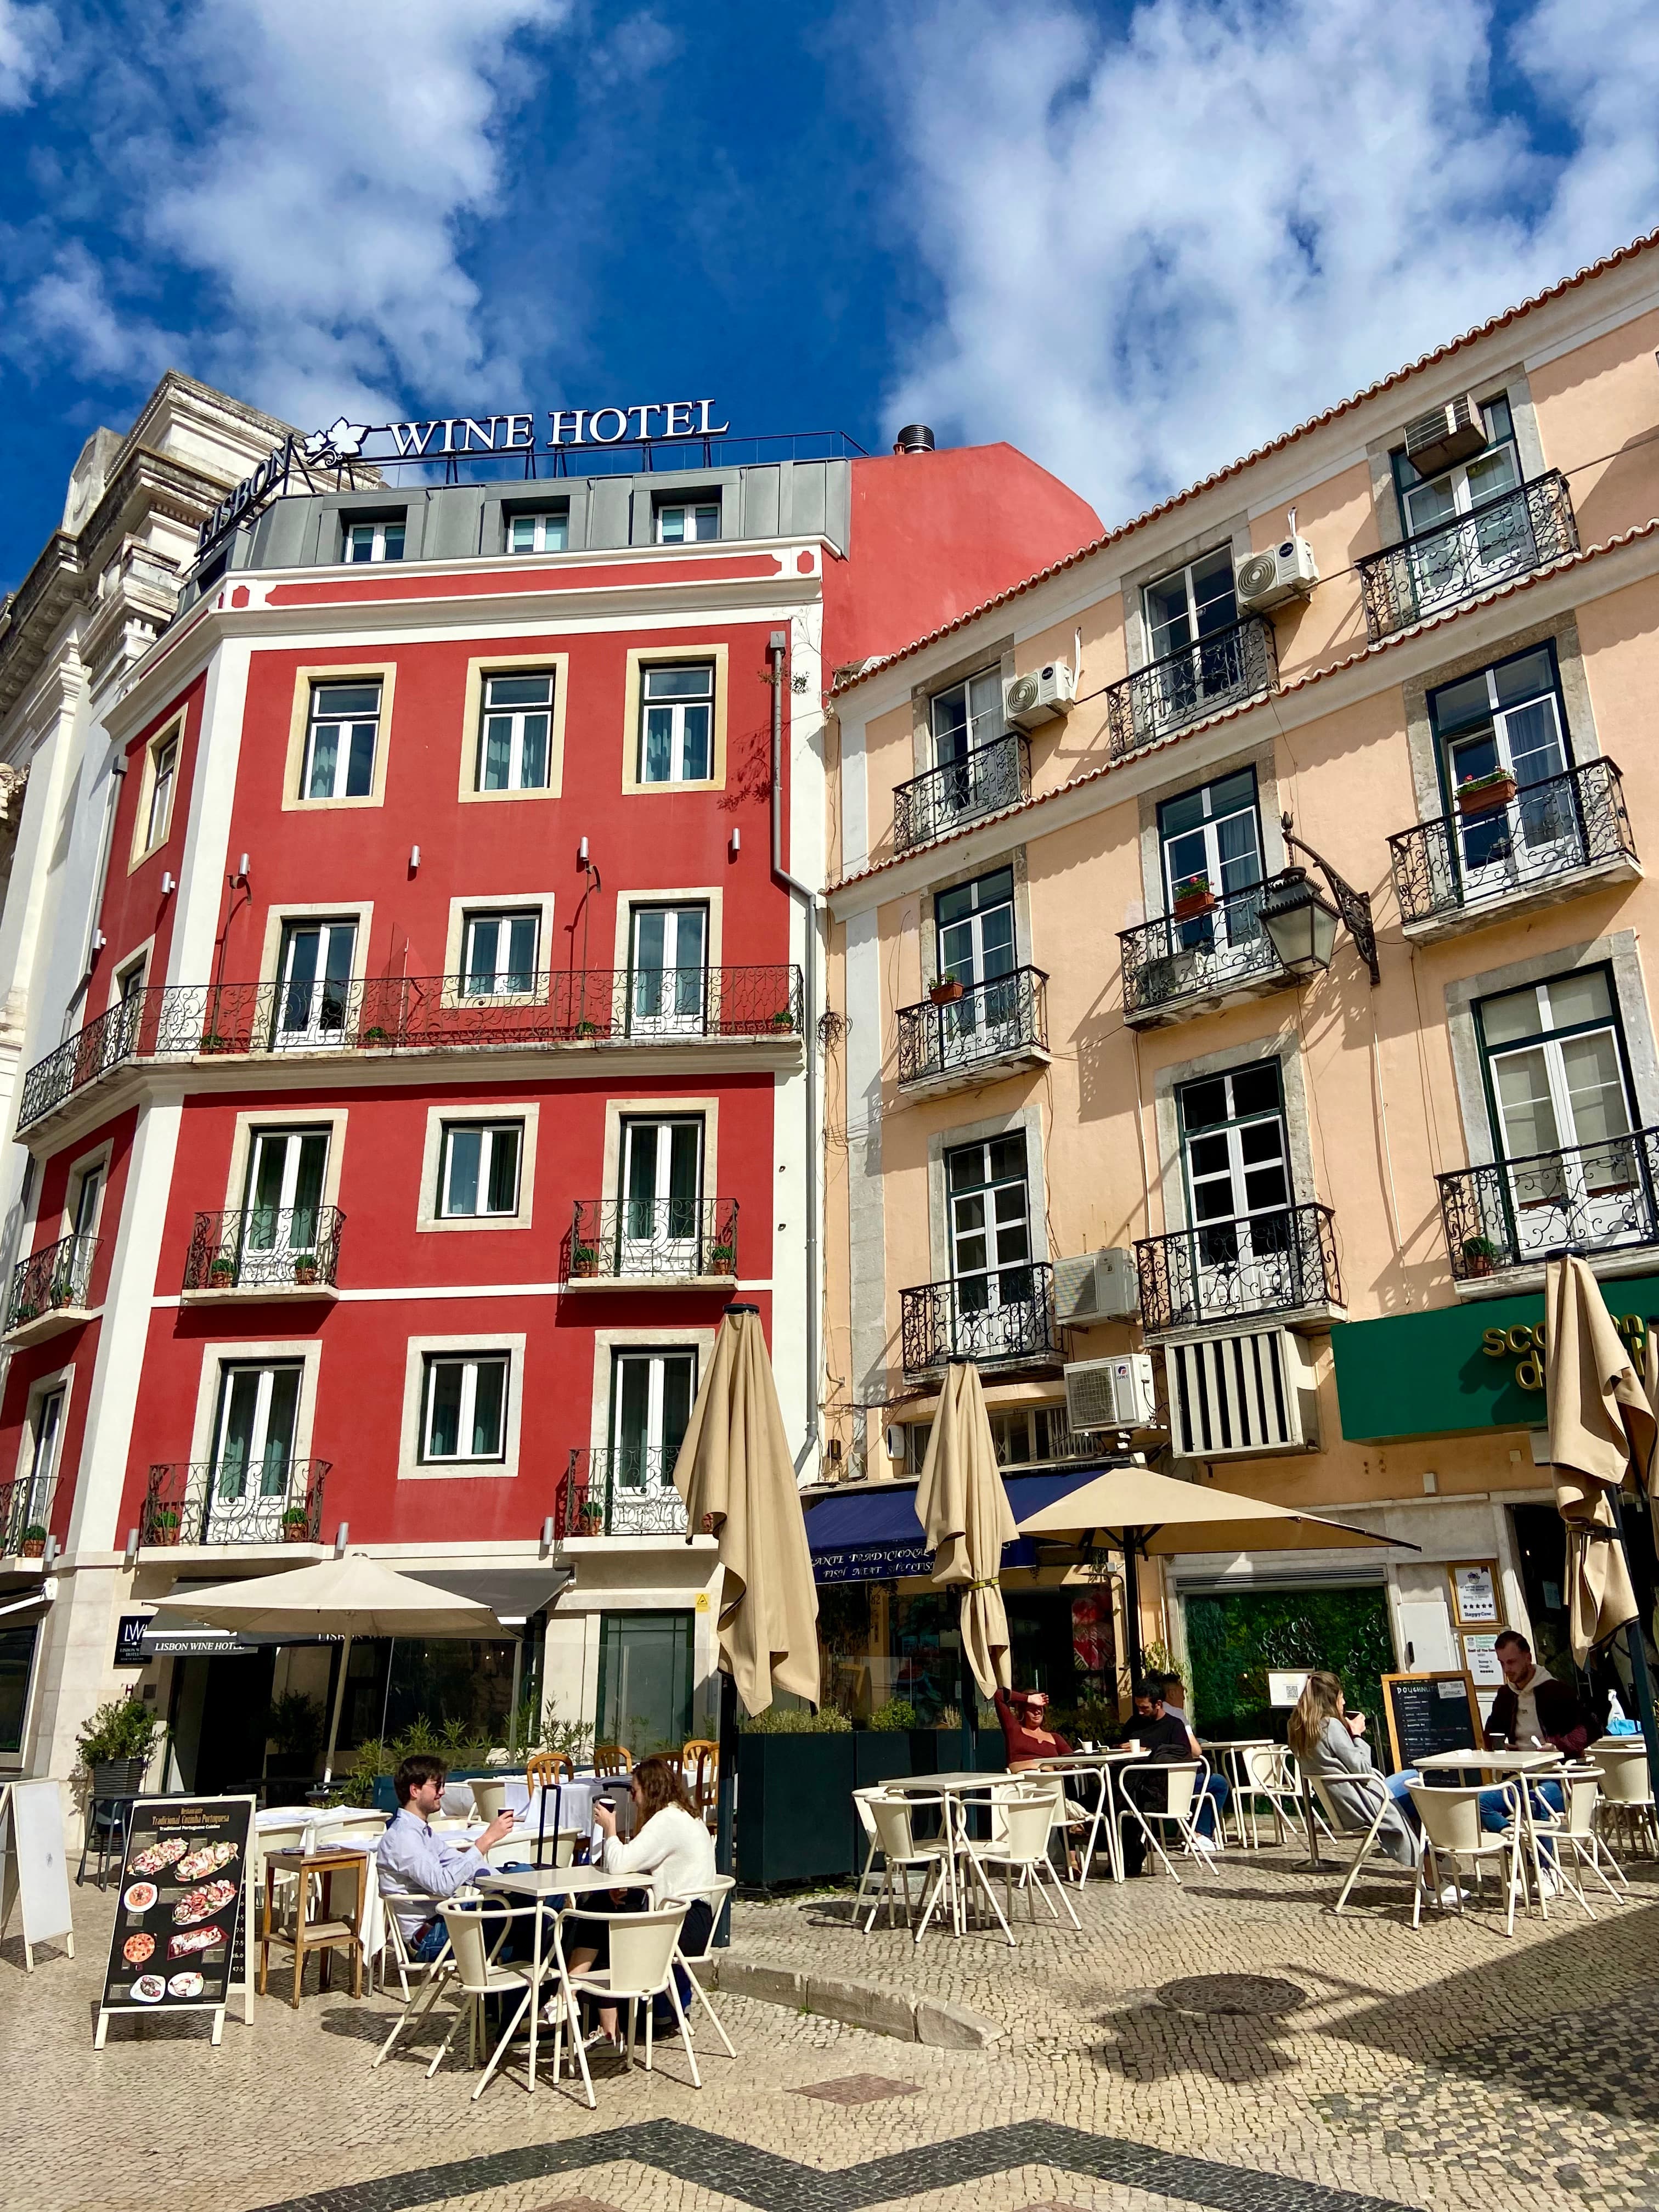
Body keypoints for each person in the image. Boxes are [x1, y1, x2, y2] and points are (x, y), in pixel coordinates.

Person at [564, 1754, 716, 2050]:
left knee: (605, 1921)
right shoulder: (684, 1816)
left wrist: (610, 1827)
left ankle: (571, 1996)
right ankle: (578, 2000)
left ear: (650, 1789)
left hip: (682, 1928)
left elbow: (619, 1864)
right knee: (605, 1911)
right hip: (693, 1918)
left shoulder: (667, 1820)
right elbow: (652, 1864)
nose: (633, 1799)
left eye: (634, 1791)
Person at [376, 1753, 521, 1962]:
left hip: (444, 1922)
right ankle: (524, 1986)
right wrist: (487, 1840)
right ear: (415, 1790)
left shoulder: (422, 1832)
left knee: (523, 1896)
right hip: (428, 1938)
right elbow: (444, 1885)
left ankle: (513, 1987)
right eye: (437, 1786)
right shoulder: (403, 1838)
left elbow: (456, 1863)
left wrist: (507, 1883)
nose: (442, 1792)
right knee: (523, 1912)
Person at [1476, 1630, 1589, 1875]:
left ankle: (1545, 1870)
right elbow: (1490, 1733)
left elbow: (1585, 1731)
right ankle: (1529, 1859)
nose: (1507, 1669)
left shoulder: (1557, 1691)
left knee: (1534, 1801)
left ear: (1528, 1657)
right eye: (1502, 1663)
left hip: (1559, 1778)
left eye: (1512, 1662)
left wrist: (1558, 1746)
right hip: (1520, 1777)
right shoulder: (1505, 1694)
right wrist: (1502, 1746)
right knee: (1480, 1803)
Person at [1287, 1671, 1420, 1870]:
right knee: (1415, 1780)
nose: (1344, 1702)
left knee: (1412, 1788)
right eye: (1341, 1697)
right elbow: (1363, 1769)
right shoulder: (1330, 1726)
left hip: (1343, 1805)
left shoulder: (1299, 1728)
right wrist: (1357, 1735)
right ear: (1332, 1699)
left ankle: (1428, 1864)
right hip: (1362, 1804)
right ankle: (1431, 1870)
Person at [1118, 1677, 1205, 1875]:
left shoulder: (1174, 1726)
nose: (1140, 1712)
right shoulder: (1134, 1724)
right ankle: (1123, 1855)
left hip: (1161, 1791)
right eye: (1138, 1707)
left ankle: (1130, 1855)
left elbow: (1181, 1754)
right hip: (1132, 1781)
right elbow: (1124, 1745)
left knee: (1121, 1802)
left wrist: (1147, 1749)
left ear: (1158, 1705)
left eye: (1145, 1708)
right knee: (1105, 1798)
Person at [1158, 1672, 1229, 1850]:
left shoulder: (1152, 1715)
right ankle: (1201, 1833)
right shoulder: (1175, 1715)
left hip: (1153, 1782)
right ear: (1172, 1693)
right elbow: (1196, 1751)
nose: (1184, 1695)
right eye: (1182, 1690)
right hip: (1175, 1783)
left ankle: (1192, 1831)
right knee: (1218, 1783)